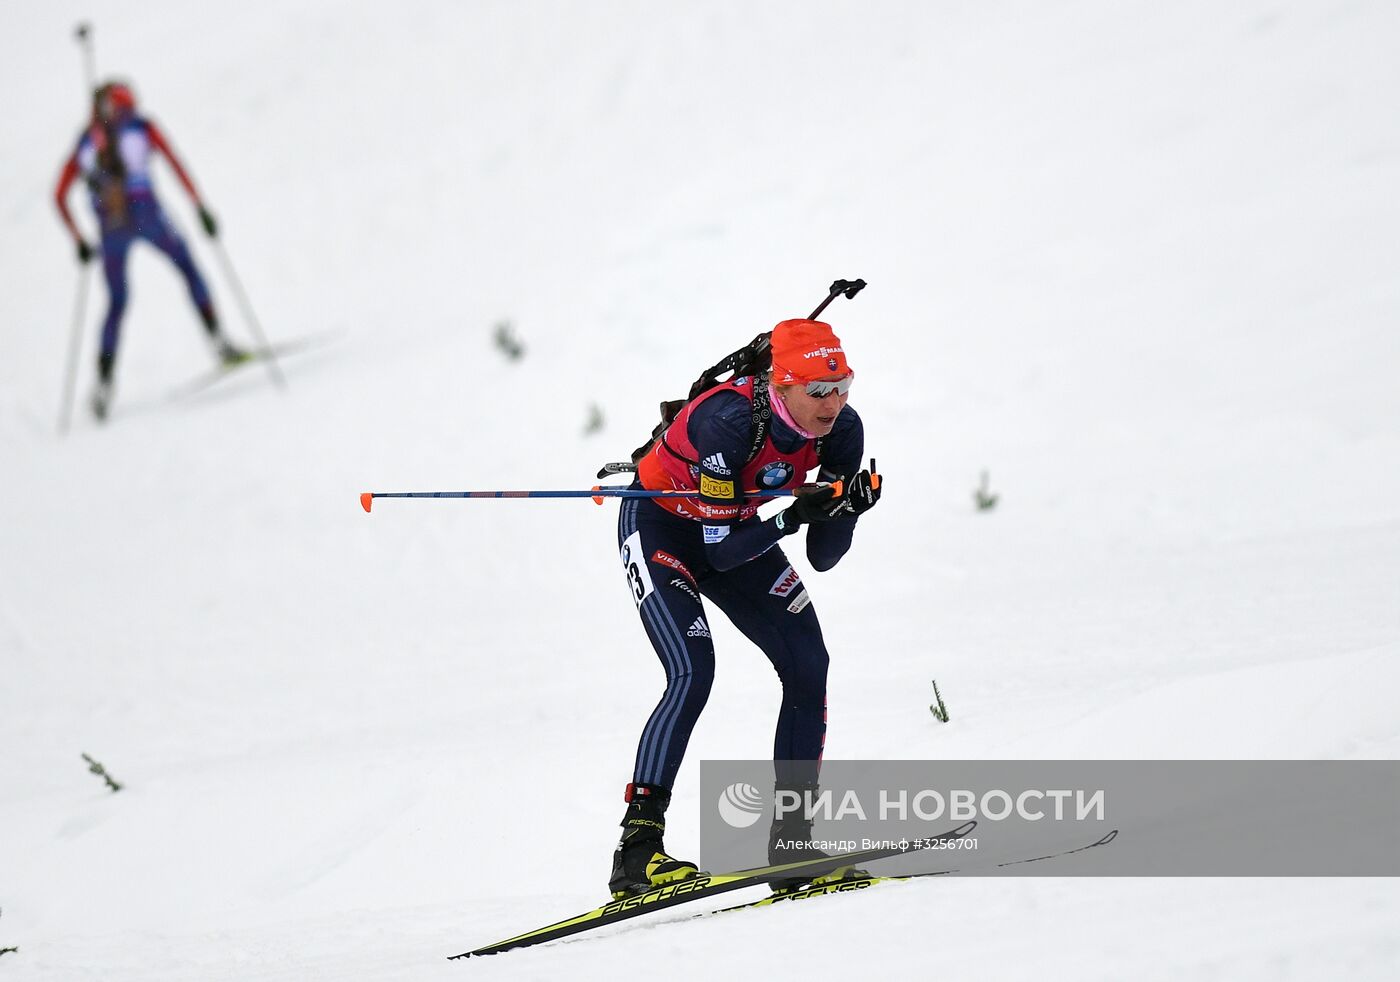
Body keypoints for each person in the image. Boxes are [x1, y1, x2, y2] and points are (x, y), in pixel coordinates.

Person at [610, 317, 882, 899]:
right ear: (781, 386)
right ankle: (637, 853)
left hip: (739, 533)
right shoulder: (727, 421)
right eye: (816, 391)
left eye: (842, 388)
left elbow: (824, 555)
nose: (831, 404)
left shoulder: (842, 430)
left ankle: (792, 844)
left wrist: (847, 507)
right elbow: (720, 548)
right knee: (693, 670)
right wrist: (791, 516)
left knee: (809, 663)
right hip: (664, 530)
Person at [54, 80, 245, 420]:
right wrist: (199, 206)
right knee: (187, 268)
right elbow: (175, 164)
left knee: (116, 302)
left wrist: (80, 241)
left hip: (110, 229)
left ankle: (103, 384)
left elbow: (59, 194)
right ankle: (219, 342)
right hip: (147, 215)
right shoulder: (141, 128)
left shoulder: (86, 142)